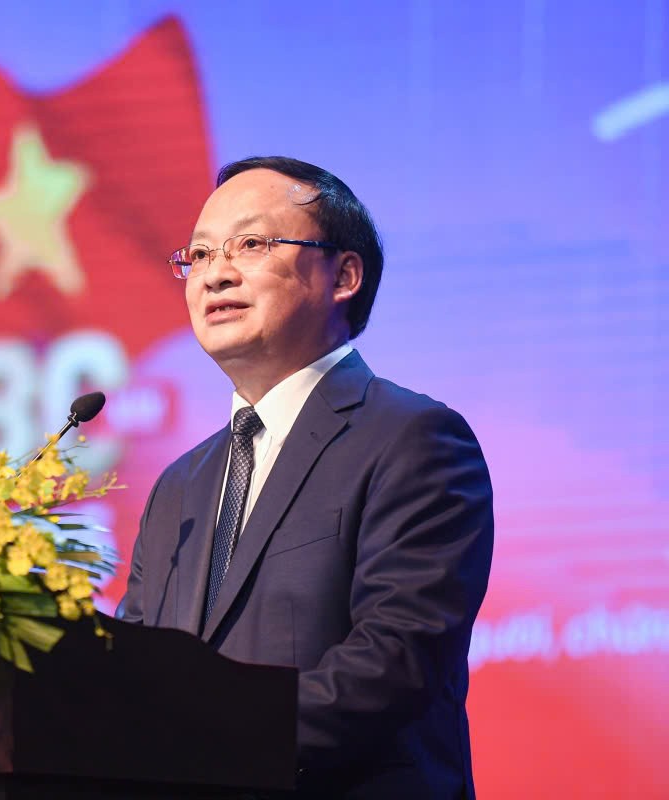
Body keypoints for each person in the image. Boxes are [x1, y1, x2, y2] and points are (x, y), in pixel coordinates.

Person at [119, 156, 493, 799]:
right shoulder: (178, 487)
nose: (216, 274)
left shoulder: (414, 439)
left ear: (343, 275)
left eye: (251, 244)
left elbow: (394, 660)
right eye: (200, 254)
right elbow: (133, 672)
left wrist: (205, 747)